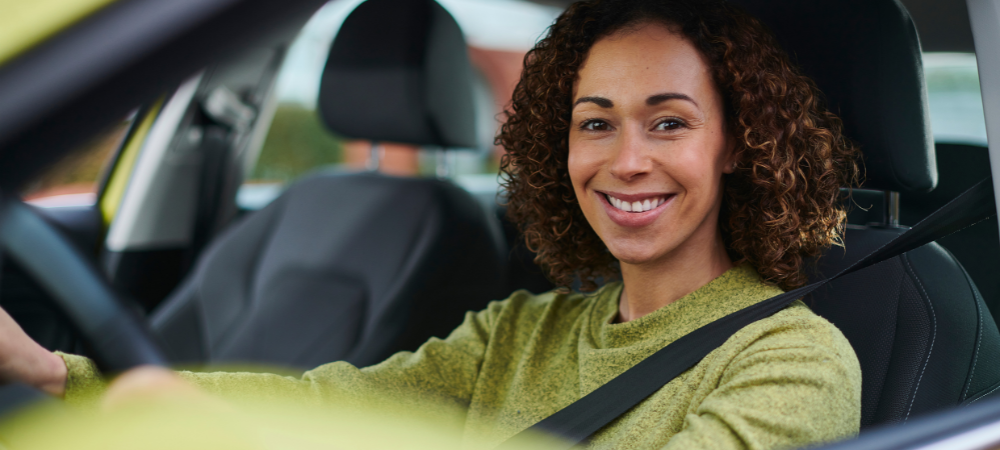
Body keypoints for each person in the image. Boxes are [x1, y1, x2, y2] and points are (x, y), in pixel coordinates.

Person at [0, 0, 863, 448]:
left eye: (669, 122)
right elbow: (333, 403)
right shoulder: (522, 330)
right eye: (594, 122)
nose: (625, 160)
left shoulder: (794, 361)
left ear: (738, 147)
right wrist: (53, 375)